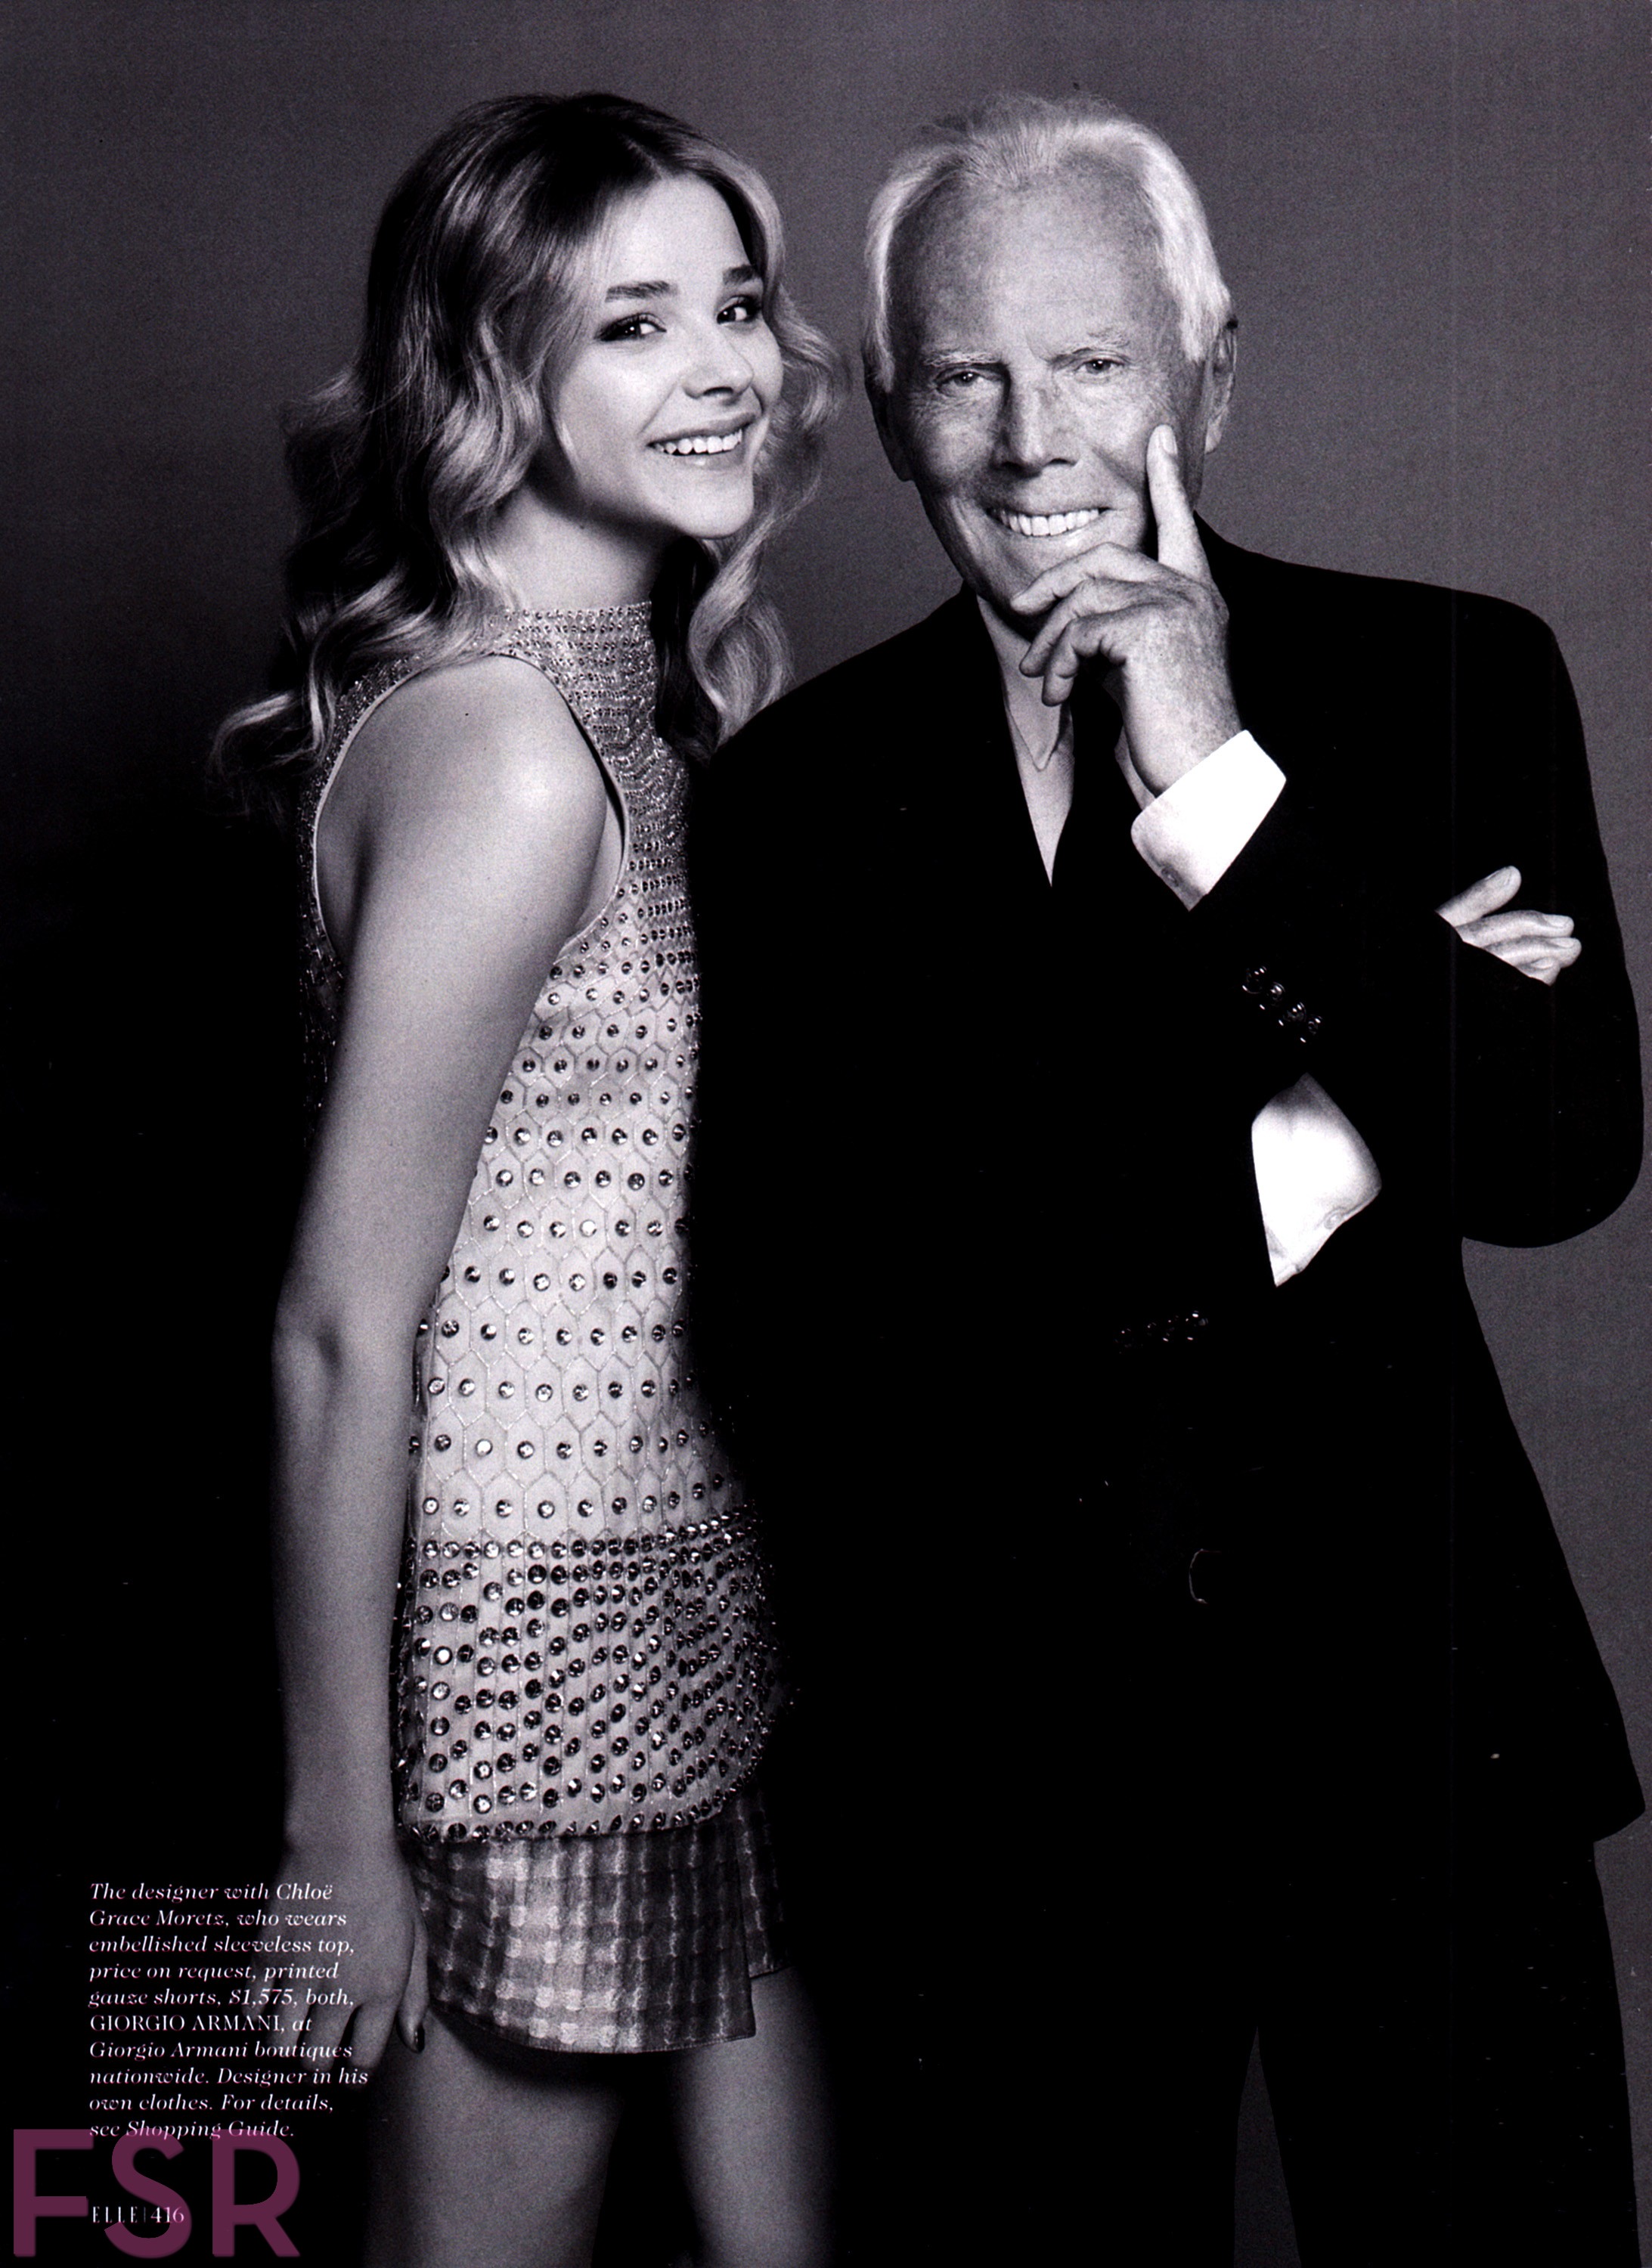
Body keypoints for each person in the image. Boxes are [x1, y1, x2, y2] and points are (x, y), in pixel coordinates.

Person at [690, 94, 1643, 2266]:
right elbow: (823, 1326)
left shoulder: (1453, 675)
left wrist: (1217, 789)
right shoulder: (790, 804)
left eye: (1092, 360)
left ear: (1207, 372)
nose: (1031, 438)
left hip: (1421, 1721)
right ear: (894, 404)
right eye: (964, 372)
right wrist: (1314, 1131)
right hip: (1000, 1772)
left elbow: (1552, 1151)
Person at [218, 92, 838, 2268]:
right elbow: (337, 1326)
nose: (727, 369)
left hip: (666, 1617)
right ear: (490, 372)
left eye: (737, 306)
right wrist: (337, 1834)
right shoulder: (501, 747)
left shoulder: (611, 703)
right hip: (517, 1677)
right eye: (632, 324)